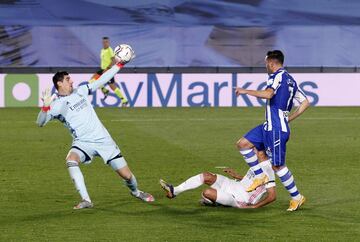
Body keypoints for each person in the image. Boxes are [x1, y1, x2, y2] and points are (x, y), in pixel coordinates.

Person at [36, 59, 153, 209]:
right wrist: (45, 107)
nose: (71, 81)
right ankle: (86, 200)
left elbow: (103, 79)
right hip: (83, 142)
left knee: (127, 176)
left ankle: (136, 192)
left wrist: (119, 64)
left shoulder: (81, 91)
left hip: (104, 140)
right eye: (67, 79)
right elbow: (40, 122)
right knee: (71, 160)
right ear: (59, 83)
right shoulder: (56, 105)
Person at [234, 50, 310, 211]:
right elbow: (305, 102)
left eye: (266, 63)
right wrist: (289, 117)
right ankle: (260, 176)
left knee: (277, 166)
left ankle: (297, 198)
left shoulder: (277, 76)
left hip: (276, 129)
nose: (265, 66)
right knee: (243, 144)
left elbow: (269, 94)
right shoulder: (291, 80)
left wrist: (246, 91)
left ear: (271, 62)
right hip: (269, 126)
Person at [160, 155, 276, 209]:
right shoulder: (256, 163)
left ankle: (218, 202)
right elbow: (254, 182)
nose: (255, 152)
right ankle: (174, 191)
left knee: (207, 193)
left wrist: (254, 207)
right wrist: (238, 176)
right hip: (235, 184)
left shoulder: (268, 170)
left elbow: (272, 196)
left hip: (240, 198)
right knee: (206, 176)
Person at [88, 37, 128, 106]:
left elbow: (114, 60)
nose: (105, 43)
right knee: (92, 80)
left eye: (106, 42)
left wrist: (108, 68)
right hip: (103, 70)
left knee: (112, 86)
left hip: (108, 71)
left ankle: (124, 100)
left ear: (108, 43)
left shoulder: (110, 50)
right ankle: (105, 90)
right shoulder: (102, 50)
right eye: (103, 42)